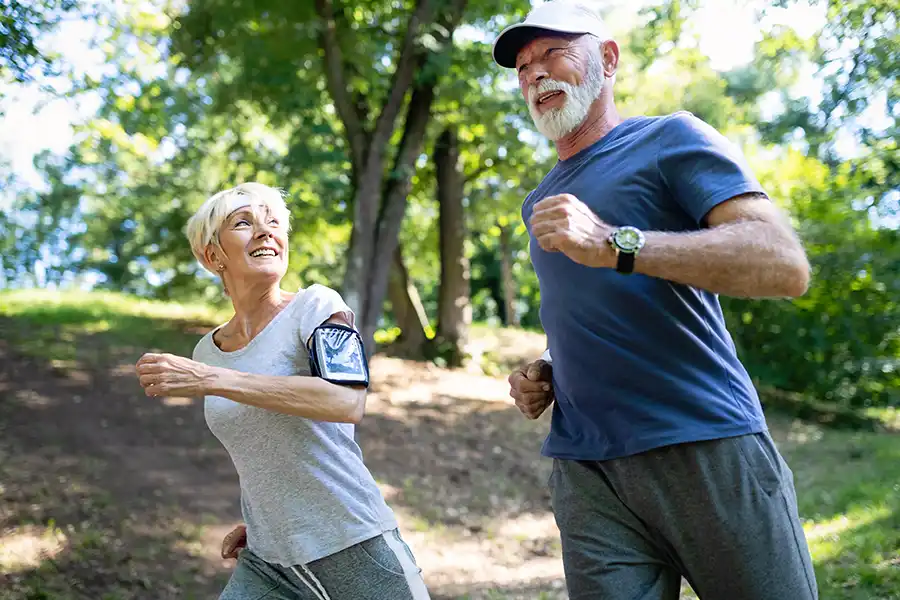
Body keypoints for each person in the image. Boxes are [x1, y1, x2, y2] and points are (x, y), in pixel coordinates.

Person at [492, 2, 818, 599]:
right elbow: (593, 303)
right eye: (521, 66)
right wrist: (549, 366)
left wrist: (615, 243)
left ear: (607, 58)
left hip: (702, 439)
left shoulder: (672, 138)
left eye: (552, 53)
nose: (534, 73)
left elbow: (783, 263)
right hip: (586, 470)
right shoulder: (539, 200)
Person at [134, 182, 430, 600]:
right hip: (269, 558)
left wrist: (213, 380)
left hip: (352, 543)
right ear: (212, 255)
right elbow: (261, 444)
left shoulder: (317, 307)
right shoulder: (208, 351)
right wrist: (271, 520)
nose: (264, 230)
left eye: (274, 221)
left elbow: (347, 399)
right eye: (243, 222)